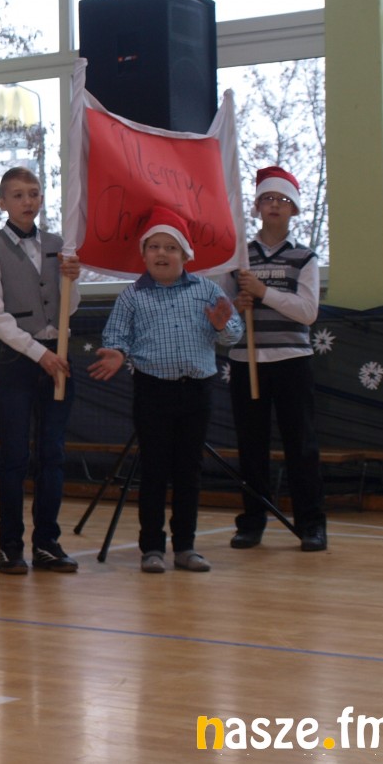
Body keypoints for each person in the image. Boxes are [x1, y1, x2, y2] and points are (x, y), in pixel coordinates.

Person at [88, 206, 243, 574]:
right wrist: (116, 352)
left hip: (196, 392)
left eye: (171, 247)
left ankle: (186, 547)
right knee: (154, 470)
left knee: (189, 471)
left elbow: (233, 335)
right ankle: (152, 548)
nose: (162, 253)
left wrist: (221, 326)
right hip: (152, 391)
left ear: (186, 255)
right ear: (143, 254)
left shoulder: (208, 291)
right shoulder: (132, 297)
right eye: (154, 247)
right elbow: (115, 335)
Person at [0, 166, 82, 575]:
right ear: (2, 202)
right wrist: (39, 354)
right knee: (15, 456)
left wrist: (74, 279)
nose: (27, 201)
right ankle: (10, 546)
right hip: (18, 359)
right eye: (17, 195)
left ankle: (47, 542)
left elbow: (69, 307)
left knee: (52, 454)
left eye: (33, 193)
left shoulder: (58, 245)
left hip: (59, 355)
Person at [224, 167, 327, 552]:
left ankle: (312, 524)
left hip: (291, 361)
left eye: (282, 200)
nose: (274, 205)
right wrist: (237, 304)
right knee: (251, 447)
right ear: (256, 206)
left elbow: (308, 312)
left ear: (294, 209)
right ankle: (252, 522)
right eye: (267, 199)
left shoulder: (305, 257)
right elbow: (221, 314)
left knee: (301, 445)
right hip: (246, 360)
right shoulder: (238, 257)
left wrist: (263, 291)